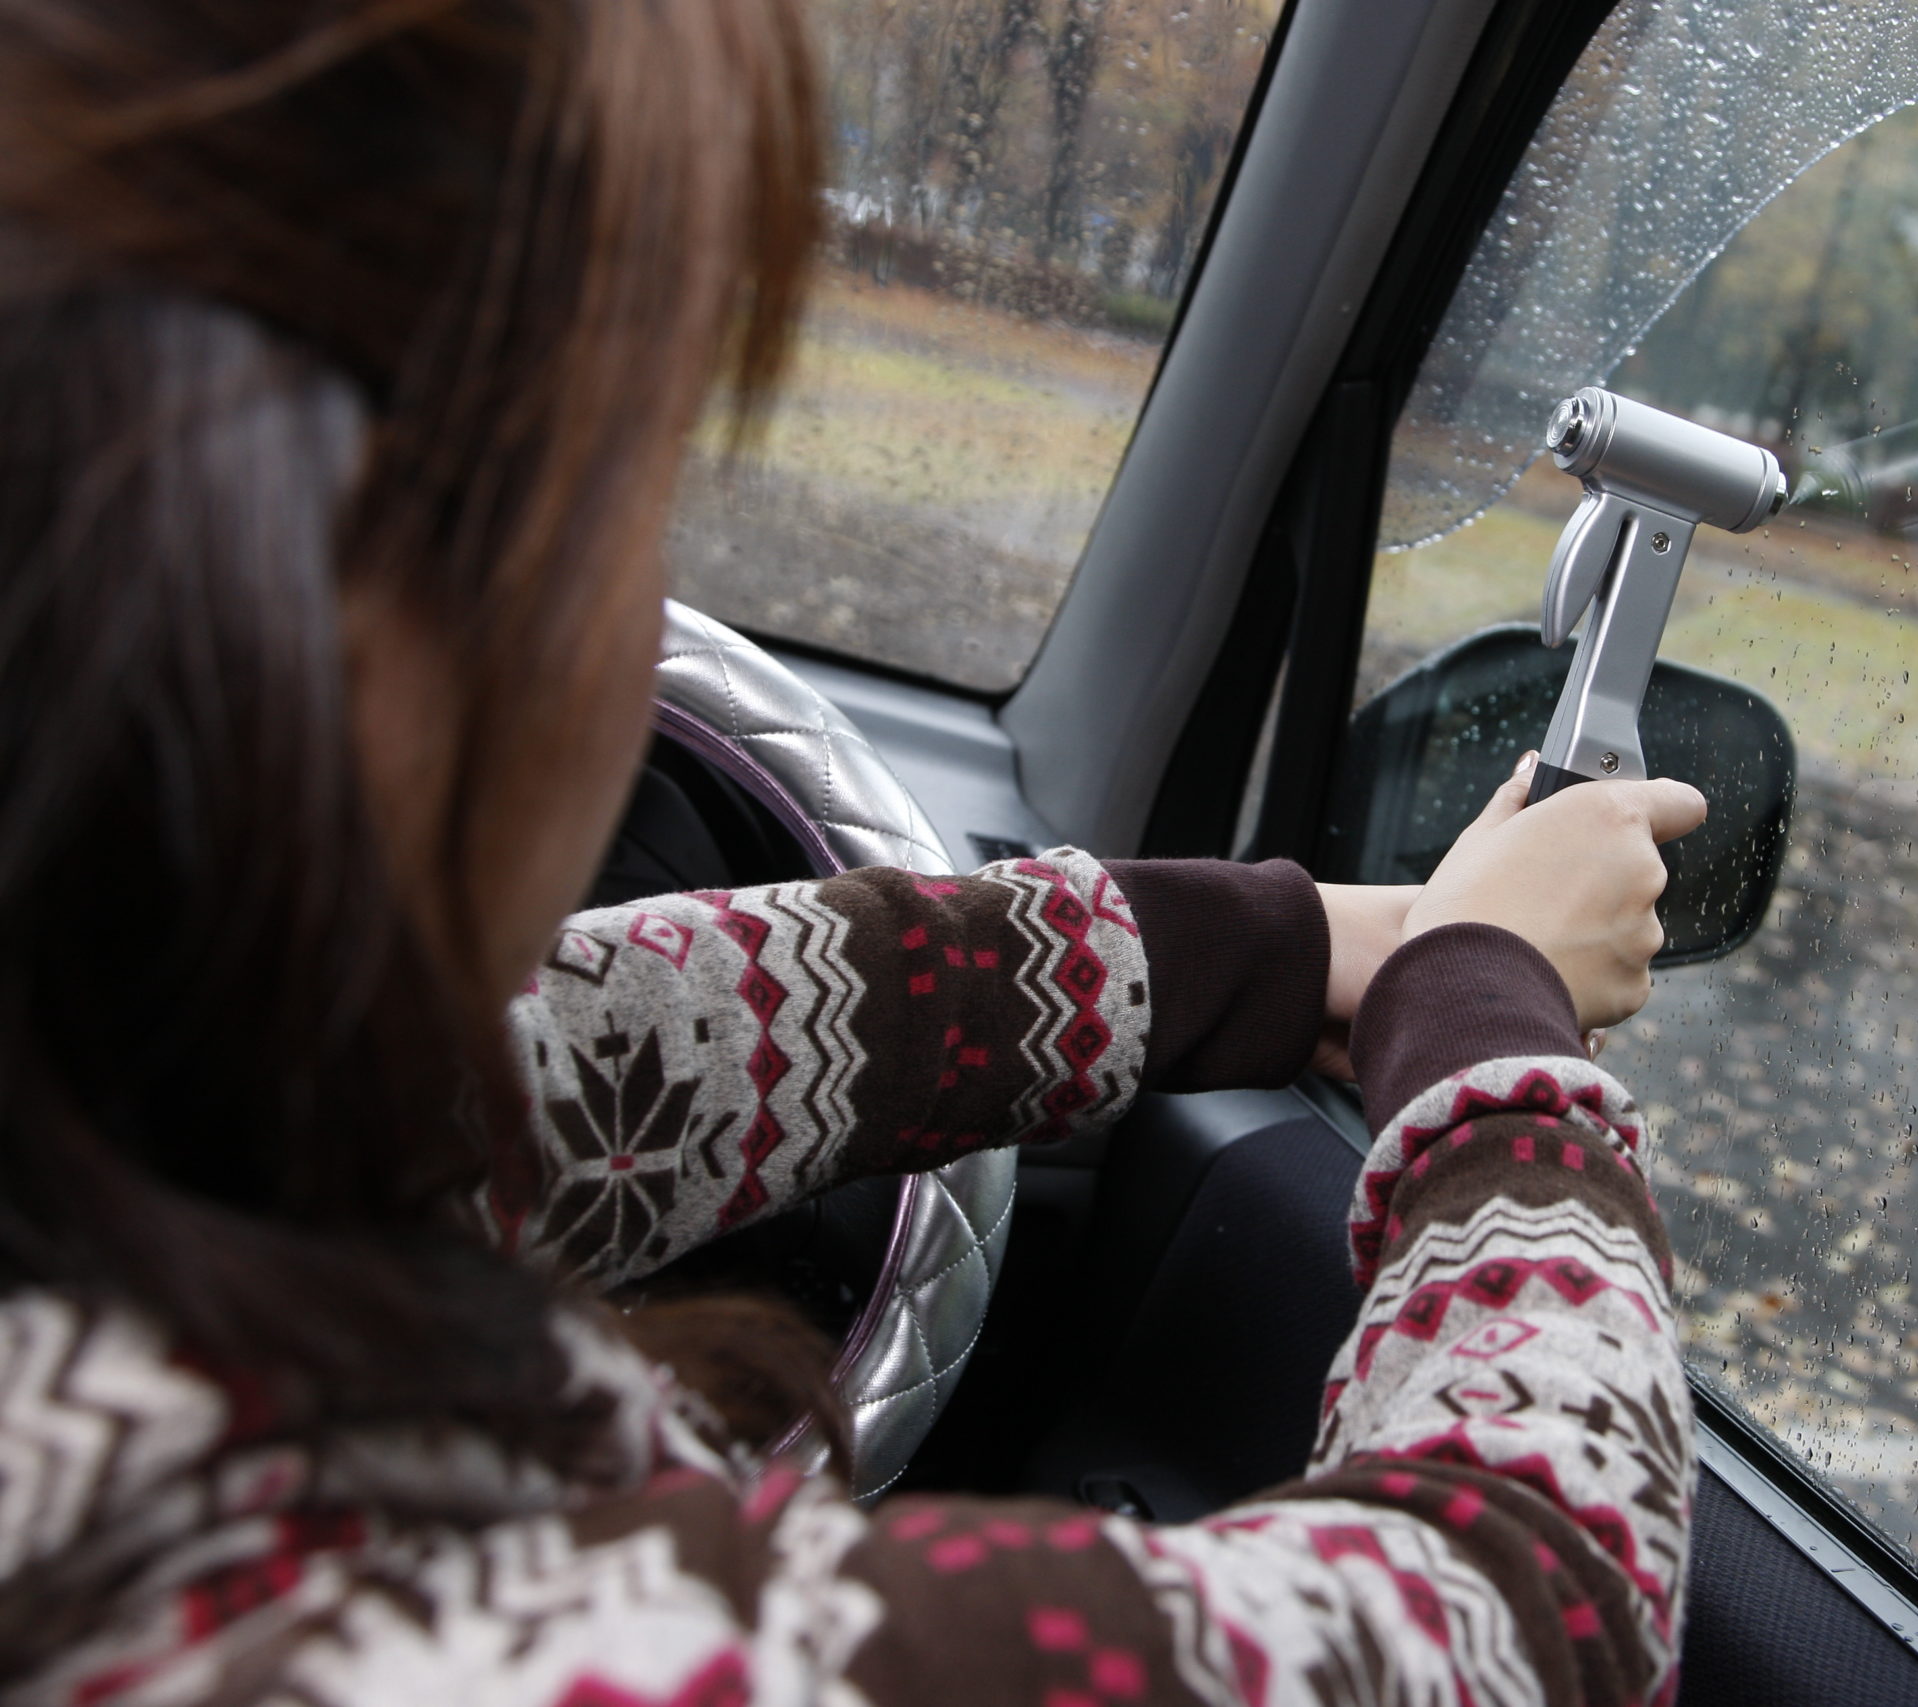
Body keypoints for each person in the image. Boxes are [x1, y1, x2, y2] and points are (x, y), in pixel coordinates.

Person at [0, 3, 1708, 1703]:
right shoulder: (430, 1647)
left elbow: (569, 1079)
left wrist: (1301, 947)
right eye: (634, 494)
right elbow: (1518, 1608)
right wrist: (1493, 1039)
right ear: (330, 635)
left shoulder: (120, 1197)